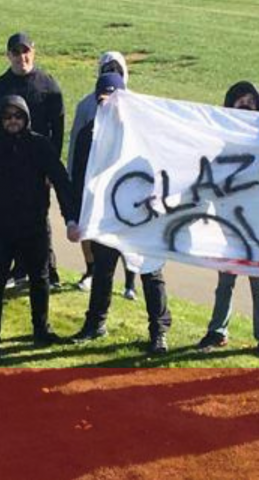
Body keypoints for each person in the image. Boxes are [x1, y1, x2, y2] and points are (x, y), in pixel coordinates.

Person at [0, 95, 80, 366]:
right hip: (0, 229)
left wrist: (70, 219)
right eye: (7, 117)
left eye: (18, 116)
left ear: (26, 118)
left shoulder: (40, 145)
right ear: (0, 120)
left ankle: (41, 330)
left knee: (40, 280)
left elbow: (61, 181)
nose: (13, 121)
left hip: (35, 227)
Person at [69, 73, 171, 354]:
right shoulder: (87, 134)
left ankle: (159, 330)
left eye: (114, 99)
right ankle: (95, 324)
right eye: (102, 99)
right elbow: (78, 179)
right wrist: (76, 217)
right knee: (102, 271)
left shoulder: (143, 135)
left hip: (140, 218)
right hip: (105, 217)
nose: (107, 105)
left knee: (150, 273)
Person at [195, 81, 259, 359]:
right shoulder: (223, 135)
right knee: (226, 278)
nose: (245, 105)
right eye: (239, 100)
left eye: (250, 101)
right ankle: (217, 331)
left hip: (258, 218)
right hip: (229, 217)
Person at [0, 32, 66, 289]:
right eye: (16, 53)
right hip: (7, 165)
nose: (22, 57)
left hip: (39, 165)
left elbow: (58, 129)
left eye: (26, 51)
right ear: (8, 55)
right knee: (8, 215)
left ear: (34, 51)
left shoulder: (48, 85)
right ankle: (15, 270)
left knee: (40, 218)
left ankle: (47, 271)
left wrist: (52, 167)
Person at [70, 52, 136, 298]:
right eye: (107, 68)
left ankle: (130, 281)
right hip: (92, 179)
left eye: (116, 68)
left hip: (124, 182)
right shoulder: (86, 105)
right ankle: (91, 272)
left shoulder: (136, 105)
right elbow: (76, 143)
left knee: (125, 233)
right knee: (90, 229)